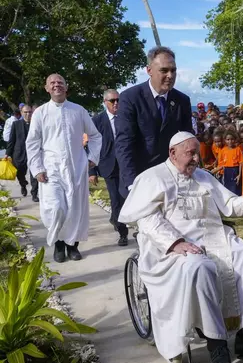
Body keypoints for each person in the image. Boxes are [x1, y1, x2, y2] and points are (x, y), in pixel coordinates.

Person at [118, 132, 243, 363]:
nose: (195, 159)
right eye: (190, 154)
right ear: (173, 153)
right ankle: (217, 347)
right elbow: (146, 219)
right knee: (200, 267)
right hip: (170, 247)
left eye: (197, 154)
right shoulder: (153, 178)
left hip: (214, 239)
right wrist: (174, 242)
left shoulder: (204, 177)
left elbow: (228, 204)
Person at [26, 74, 102, 262]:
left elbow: (95, 135)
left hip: (76, 167)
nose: (56, 85)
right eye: (52, 83)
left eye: (60, 82)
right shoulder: (41, 113)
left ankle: (72, 245)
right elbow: (33, 142)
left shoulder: (78, 110)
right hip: (51, 169)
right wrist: (37, 169)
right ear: (46, 88)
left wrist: (92, 158)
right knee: (56, 208)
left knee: (75, 209)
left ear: (66, 87)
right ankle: (58, 244)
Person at [115, 46, 193, 197]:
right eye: (164, 70)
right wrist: (132, 183)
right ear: (149, 70)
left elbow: (187, 140)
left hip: (172, 180)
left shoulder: (182, 100)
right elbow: (124, 144)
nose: (170, 75)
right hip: (140, 179)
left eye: (173, 70)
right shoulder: (130, 98)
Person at [89, 89, 129, 247]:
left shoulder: (126, 117)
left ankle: (115, 218)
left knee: (128, 198)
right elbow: (90, 146)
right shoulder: (97, 121)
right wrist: (91, 171)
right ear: (105, 102)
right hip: (108, 166)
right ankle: (123, 233)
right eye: (112, 101)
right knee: (116, 200)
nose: (116, 103)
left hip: (126, 165)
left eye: (118, 100)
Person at [6, 105, 38, 201]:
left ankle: (34, 194)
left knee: (34, 174)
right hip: (19, 153)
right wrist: (8, 153)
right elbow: (12, 140)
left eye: (29, 112)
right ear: (21, 112)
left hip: (33, 153)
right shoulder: (16, 124)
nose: (28, 114)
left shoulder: (36, 124)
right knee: (20, 173)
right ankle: (23, 184)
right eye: (25, 112)